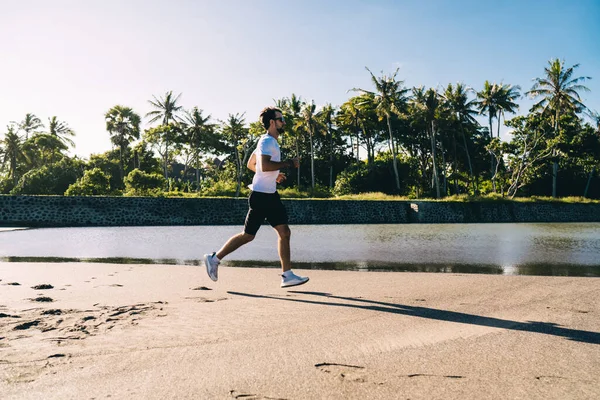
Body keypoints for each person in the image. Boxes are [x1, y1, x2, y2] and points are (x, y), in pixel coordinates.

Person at [203, 107, 309, 288]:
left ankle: (287, 275)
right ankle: (214, 258)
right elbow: (264, 164)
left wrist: (274, 175)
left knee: (284, 232)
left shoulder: (267, 141)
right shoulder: (268, 141)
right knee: (248, 235)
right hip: (260, 196)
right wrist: (288, 163)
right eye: (281, 119)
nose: (284, 122)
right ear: (272, 122)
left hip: (270, 194)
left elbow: (252, 164)